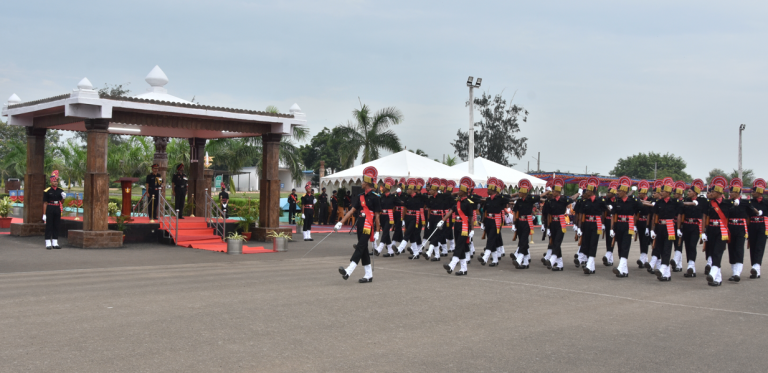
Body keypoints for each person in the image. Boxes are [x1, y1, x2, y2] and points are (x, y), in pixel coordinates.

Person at [335, 166, 382, 283]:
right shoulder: (360, 196)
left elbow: (377, 216)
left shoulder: (375, 197)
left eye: (363, 181)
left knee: (360, 246)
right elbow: (352, 211)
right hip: (360, 224)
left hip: (368, 225)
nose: (361, 183)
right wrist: (340, 222)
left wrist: (377, 231)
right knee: (364, 249)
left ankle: (348, 271)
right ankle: (368, 275)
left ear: (368, 183)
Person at [643, 177, 683, 281]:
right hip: (660, 226)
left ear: (668, 192)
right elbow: (654, 217)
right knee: (659, 247)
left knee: (667, 248)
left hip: (670, 227)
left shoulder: (675, 202)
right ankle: (667, 274)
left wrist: (678, 229)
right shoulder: (659, 202)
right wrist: (652, 229)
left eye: (663, 191)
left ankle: (664, 268)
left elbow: (679, 215)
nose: (661, 193)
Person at [441, 176, 476, 276]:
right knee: (461, 247)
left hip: (464, 227)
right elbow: (450, 212)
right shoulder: (457, 202)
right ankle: (464, 269)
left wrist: (472, 229)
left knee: (459, 246)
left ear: (464, 192)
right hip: (457, 225)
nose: (458, 191)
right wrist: (442, 221)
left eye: (460, 190)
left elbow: (471, 218)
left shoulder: (468, 203)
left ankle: (451, 265)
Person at [703, 176, 733, 286]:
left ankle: (713, 273)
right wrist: (703, 232)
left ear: (719, 192)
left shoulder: (728, 204)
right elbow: (704, 217)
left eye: (713, 192)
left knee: (717, 252)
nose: (711, 193)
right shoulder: (708, 203)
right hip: (711, 229)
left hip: (722, 231)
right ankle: (718, 278)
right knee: (712, 251)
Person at [508, 179, 545, 269]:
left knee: (523, 240)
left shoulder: (530, 199)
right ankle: (526, 262)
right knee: (522, 241)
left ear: (524, 192)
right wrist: (514, 224)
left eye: (520, 191)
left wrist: (548, 191)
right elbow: (515, 212)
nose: (519, 193)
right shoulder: (519, 201)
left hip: (527, 222)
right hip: (519, 222)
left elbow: (540, 196)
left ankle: (519, 259)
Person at [610, 177, 643, 277]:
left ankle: (620, 268)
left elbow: (640, 210)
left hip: (629, 225)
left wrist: (635, 224)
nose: (617, 193)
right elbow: (613, 215)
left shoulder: (633, 200)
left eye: (619, 191)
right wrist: (612, 228)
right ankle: (624, 270)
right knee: (620, 246)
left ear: (625, 191)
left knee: (625, 245)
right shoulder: (617, 201)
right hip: (619, 225)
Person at [577, 177, 608, 275]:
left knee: (593, 243)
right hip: (587, 224)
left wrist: (603, 223)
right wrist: (579, 227)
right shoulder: (585, 201)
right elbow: (581, 214)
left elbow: (605, 211)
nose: (586, 192)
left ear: (593, 191)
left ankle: (589, 264)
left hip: (596, 224)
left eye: (588, 190)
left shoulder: (600, 200)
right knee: (586, 243)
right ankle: (591, 266)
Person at [545, 178, 577, 271]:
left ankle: (552, 259)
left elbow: (573, 199)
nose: (552, 193)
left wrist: (578, 193)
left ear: (558, 192)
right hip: (553, 223)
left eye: (554, 191)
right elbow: (549, 214)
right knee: (554, 242)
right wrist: (548, 226)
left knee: (557, 242)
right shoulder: (551, 201)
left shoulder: (563, 199)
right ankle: (560, 264)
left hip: (561, 223)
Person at [477, 177, 510, 267]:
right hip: (488, 221)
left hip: (496, 222)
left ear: (493, 190)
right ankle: (495, 260)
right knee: (492, 240)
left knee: (491, 239)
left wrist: (499, 194)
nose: (487, 190)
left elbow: (508, 198)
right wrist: (483, 223)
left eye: (489, 189)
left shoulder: (500, 199)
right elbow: (485, 212)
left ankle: (485, 257)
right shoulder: (488, 200)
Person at [679, 179, 706, 277]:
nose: (688, 192)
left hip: (696, 226)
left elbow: (704, 215)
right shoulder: (686, 200)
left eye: (690, 191)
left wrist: (703, 231)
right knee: (687, 246)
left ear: (695, 192)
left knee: (692, 245)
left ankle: (691, 265)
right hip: (687, 225)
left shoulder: (702, 201)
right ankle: (691, 268)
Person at [726, 178, 749, 282]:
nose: (730, 194)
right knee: (731, 249)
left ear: (737, 193)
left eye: (732, 192)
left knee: (739, 249)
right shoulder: (728, 203)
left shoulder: (745, 202)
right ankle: (734, 272)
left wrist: (758, 212)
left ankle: (737, 273)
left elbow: (750, 214)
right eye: (730, 192)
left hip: (741, 228)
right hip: (730, 227)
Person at [395, 179, 426, 257]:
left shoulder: (420, 197)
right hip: (408, 217)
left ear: (412, 189)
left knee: (407, 233)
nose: (407, 190)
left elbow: (425, 204)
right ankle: (416, 253)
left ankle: (399, 249)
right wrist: (403, 219)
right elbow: (405, 208)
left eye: (408, 189)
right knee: (412, 236)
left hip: (415, 217)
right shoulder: (407, 197)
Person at [374, 178, 401, 257]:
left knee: (385, 231)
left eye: (384, 187)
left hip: (390, 216)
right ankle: (390, 251)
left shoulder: (393, 197)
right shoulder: (381, 196)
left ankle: (379, 249)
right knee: (386, 234)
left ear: (388, 188)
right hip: (382, 216)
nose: (382, 188)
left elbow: (400, 202)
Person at [747, 178, 767, 279]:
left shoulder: (766, 202)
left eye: (754, 191)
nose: (752, 193)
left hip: (763, 227)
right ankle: (756, 270)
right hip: (752, 226)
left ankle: (756, 266)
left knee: (760, 246)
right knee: (753, 247)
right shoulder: (750, 202)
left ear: (759, 192)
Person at [43, 173, 66, 250]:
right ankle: (48, 243)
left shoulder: (60, 190)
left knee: (56, 225)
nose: (55, 183)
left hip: (57, 208)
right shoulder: (47, 191)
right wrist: (44, 214)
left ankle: (55, 242)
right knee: (49, 225)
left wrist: (63, 198)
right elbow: (45, 203)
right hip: (50, 207)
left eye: (56, 181)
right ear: (51, 182)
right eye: (54, 181)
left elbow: (62, 202)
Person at [634, 180, 653, 268]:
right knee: (641, 240)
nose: (639, 194)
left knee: (646, 241)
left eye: (640, 193)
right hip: (640, 222)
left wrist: (648, 226)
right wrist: (635, 225)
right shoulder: (638, 201)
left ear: (645, 193)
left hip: (647, 222)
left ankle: (644, 257)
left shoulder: (650, 200)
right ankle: (644, 258)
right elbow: (636, 213)